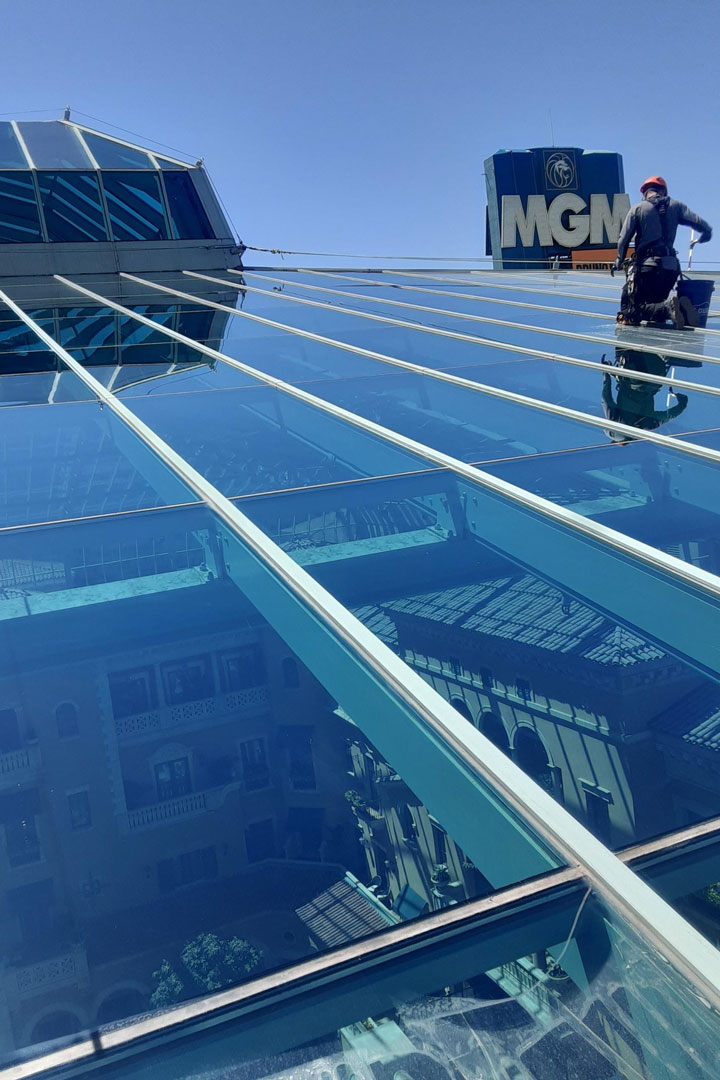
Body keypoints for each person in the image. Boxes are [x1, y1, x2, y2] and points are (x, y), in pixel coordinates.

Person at [615, 175, 712, 328]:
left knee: (631, 312)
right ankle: (679, 310)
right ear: (663, 192)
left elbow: (623, 239)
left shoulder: (638, 208)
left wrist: (619, 261)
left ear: (645, 193)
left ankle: (668, 309)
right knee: (656, 310)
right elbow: (701, 225)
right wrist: (706, 235)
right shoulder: (676, 206)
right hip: (670, 269)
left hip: (647, 268)